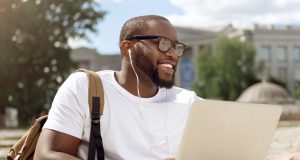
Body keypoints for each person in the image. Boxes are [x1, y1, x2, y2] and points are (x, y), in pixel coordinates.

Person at [34, 15, 199, 160]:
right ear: (128, 47)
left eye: (176, 47)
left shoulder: (190, 103)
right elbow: (46, 156)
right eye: (163, 43)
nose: (172, 54)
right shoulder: (85, 87)